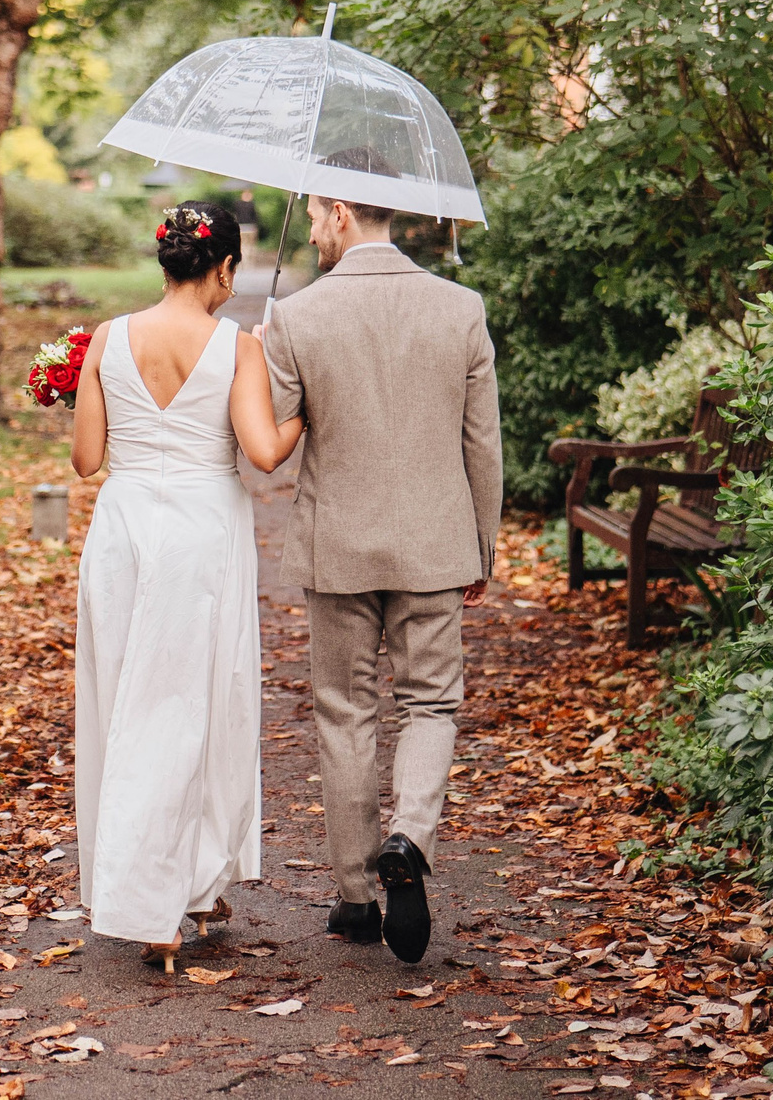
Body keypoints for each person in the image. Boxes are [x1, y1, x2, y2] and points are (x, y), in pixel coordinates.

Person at [258, 177, 502, 964]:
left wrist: (265, 354)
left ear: (339, 211)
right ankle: (411, 835)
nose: (313, 236)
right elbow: (482, 442)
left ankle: (359, 897)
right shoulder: (460, 308)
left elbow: (272, 435)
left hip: (339, 543)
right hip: (435, 541)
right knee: (432, 701)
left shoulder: (297, 316)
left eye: (316, 219)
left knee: (345, 711)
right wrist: (482, 542)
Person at [66, 198, 305, 971]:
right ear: (224, 268)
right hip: (202, 533)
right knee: (197, 705)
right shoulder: (237, 347)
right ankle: (174, 899)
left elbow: (86, 459)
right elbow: (265, 451)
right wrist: (303, 405)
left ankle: (162, 892)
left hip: (125, 530)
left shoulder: (107, 339)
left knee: (126, 706)